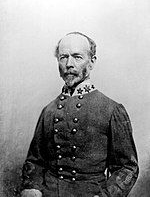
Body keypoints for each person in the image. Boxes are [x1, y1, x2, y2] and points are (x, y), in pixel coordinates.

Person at [21, 32, 139, 197]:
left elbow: (127, 168)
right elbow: (35, 161)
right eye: (63, 57)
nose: (69, 64)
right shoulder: (48, 110)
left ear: (92, 62)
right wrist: (31, 188)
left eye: (77, 57)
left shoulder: (112, 110)